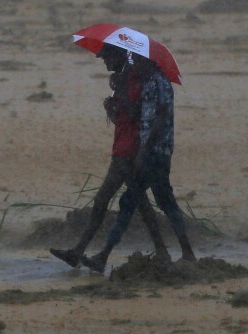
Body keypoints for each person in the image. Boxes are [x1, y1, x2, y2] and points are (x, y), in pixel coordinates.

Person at [50, 44, 170, 268]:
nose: (105, 62)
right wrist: (111, 109)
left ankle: (81, 252)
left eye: (107, 57)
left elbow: (137, 114)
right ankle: (158, 250)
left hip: (130, 152)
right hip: (123, 149)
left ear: (120, 56)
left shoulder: (133, 79)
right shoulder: (124, 79)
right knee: (140, 204)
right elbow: (123, 119)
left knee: (104, 201)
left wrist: (121, 91)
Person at [81, 53, 196, 273]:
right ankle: (104, 256)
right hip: (148, 151)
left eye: (139, 61)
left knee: (164, 203)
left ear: (150, 61)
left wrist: (143, 151)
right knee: (131, 201)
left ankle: (186, 252)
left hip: (156, 153)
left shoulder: (160, 83)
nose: (135, 65)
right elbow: (137, 116)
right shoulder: (148, 82)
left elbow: (161, 118)